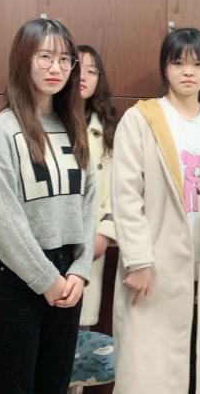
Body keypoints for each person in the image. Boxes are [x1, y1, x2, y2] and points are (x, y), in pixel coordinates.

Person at [111, 27, 200, 393]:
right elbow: (125, 195)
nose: (188, 72)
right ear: (164, 68)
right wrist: (138, 260)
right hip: (154, 263)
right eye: (178, 63)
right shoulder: (142, 119)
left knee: (196, 365)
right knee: (148, 366)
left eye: (198, 64)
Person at [0, 18, 95, 393]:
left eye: (64, 59)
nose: (56, 68)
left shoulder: (74, 127)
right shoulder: (1, 130)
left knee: (54, 386)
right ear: (23, 60)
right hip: (12, 277)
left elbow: (88, 205)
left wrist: (80, 271)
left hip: (66, 278)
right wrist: (45, 279)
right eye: (44, 57)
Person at [76, 45, 119, 328]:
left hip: (91, 241)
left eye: (92, 72)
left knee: (80, 329)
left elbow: (118, 189)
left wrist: (105, 233)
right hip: (45, 243)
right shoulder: (39, 123)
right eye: (77, 68)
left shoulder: (107, 129)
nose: (83, 77)